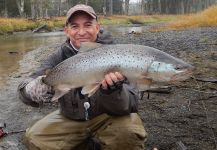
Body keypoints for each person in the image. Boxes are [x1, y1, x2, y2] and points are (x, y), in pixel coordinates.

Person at [18, 4, 147, 150]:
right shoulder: (58, 57)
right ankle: (88, 144)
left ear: (97, 27)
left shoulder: (119, 54)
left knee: (129, 135)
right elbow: (23, 88)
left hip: (110, 117)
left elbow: (132, 104)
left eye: (87, 25)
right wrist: (35, 89)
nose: (81, 32)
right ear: (67, 31)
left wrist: (112, 91)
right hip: (71, 118)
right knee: (34, 138)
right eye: (75, 26)